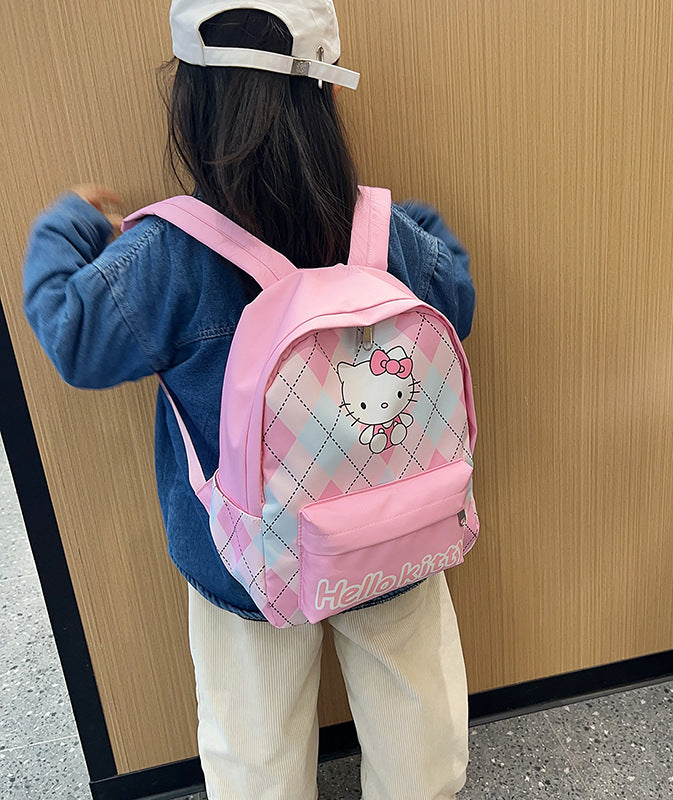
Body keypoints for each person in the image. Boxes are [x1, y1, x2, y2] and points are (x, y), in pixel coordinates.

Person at [22, 2, 475, 798]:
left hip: (246, 564)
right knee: (418, 720)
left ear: (191, 107)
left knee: (254, 747)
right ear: (328, 100)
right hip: (393, 538)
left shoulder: (167, 253)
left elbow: (74, 335)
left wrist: (72, 225)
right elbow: (457, 303)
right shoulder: (383, 233)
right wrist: (416, 221)